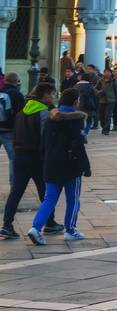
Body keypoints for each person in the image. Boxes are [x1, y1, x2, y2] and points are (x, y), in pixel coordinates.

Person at [28, 90, 91, 244]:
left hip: (51, 164)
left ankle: (35, 228)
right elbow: (78, 145)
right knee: (73, 199)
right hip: (71, 165)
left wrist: (45, 161)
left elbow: (43, 143)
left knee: (49, 199)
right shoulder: (77, 119)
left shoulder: (50, 118)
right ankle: (70, 230)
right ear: (76, 102)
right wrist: (86, 166)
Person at [2, 84, 58, 239]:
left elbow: (15, 134)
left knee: (16, 192)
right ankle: (50, 222)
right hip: (36, 157)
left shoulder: (22, 112)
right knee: (45, 191)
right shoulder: (44, 113)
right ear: (45, 95)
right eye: (51, 94)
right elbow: (45, 138)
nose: (52, 97)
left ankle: (7, 225)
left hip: (20, 155)